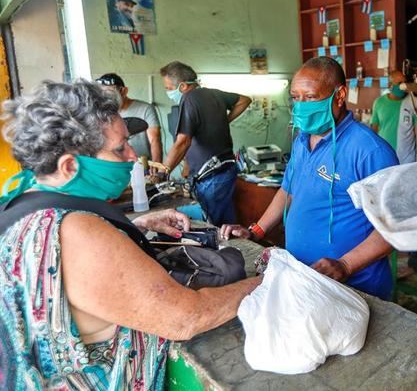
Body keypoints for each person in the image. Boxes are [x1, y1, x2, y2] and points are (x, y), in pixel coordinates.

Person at [0, 80, 260, 390]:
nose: (132, 158)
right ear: (69, 165)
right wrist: (264, 282)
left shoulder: (21, 204)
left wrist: (141, 224)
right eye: (120, 149)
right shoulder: (76, 233)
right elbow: (185, 318)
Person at [221, 57, 399, 300]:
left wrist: (346, 265)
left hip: (357, 288)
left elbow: (393, 226)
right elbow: (288, 190)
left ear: (339, 95)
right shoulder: (302, 141)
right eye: (296, 97)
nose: (301, 105)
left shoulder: (369, 151)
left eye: (311, 97)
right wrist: (257, 231)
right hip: (305, 279)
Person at [159, 61, 251, 226]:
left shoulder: (189, 98)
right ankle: (233, 250)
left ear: (182, 86)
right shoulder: (213, 94)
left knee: (212, 226)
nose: (167, 92)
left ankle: (222, 251)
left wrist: (163, 171)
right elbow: (244, 100)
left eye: (168, 87)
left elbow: (182, 142)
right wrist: (225, 120)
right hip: (225, 170)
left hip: (212, 176)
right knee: (226, 223)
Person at [96, 72, 163, 164]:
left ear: (124, 91)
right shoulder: (103, 114)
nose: (108, 99)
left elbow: (155, 139)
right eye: (104, 94)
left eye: (111, 93)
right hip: (118, 166)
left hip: (144, 166)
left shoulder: (145, 109)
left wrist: (156, 166)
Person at [370, 70, 416, 164]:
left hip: (407, 158)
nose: (403, 86)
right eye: (399, 83)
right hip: (384, 157)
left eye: (404, 82)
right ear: (390, 85)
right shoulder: (379, 102)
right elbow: (374, 129)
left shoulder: (414, 102)